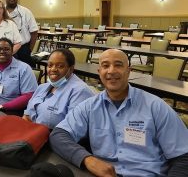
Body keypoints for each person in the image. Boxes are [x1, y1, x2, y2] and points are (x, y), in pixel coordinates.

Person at [50, 49, 188, 177]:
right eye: (105, 66)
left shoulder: (156, 107)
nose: (111, 71)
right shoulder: (89, 107)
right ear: (99, 72)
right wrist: (87, 159)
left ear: (129, 71)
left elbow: (183, 157)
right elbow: (58, 135)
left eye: (118, 65)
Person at [23, 49, 95, 129]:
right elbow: (26, 116)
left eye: (60, 66)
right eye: (50, 65)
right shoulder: (41, 88)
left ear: (71, 69)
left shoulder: (80, 92)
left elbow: (71, 129)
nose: (53, 69)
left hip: (52, 139)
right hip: (29, 134)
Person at [0, 37, 37, 115]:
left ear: (12, 51)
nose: (2, 52)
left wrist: (2, 106)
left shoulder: (24, 69)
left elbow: (28, 95)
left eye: (6, 49)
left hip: (12, 112)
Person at [5, 0, 39, 67]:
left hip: (23, 49)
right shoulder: (0, 11)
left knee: (26, 70)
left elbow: (34, 32)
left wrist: (29, 49)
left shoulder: (26, 11)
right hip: (5, 48)